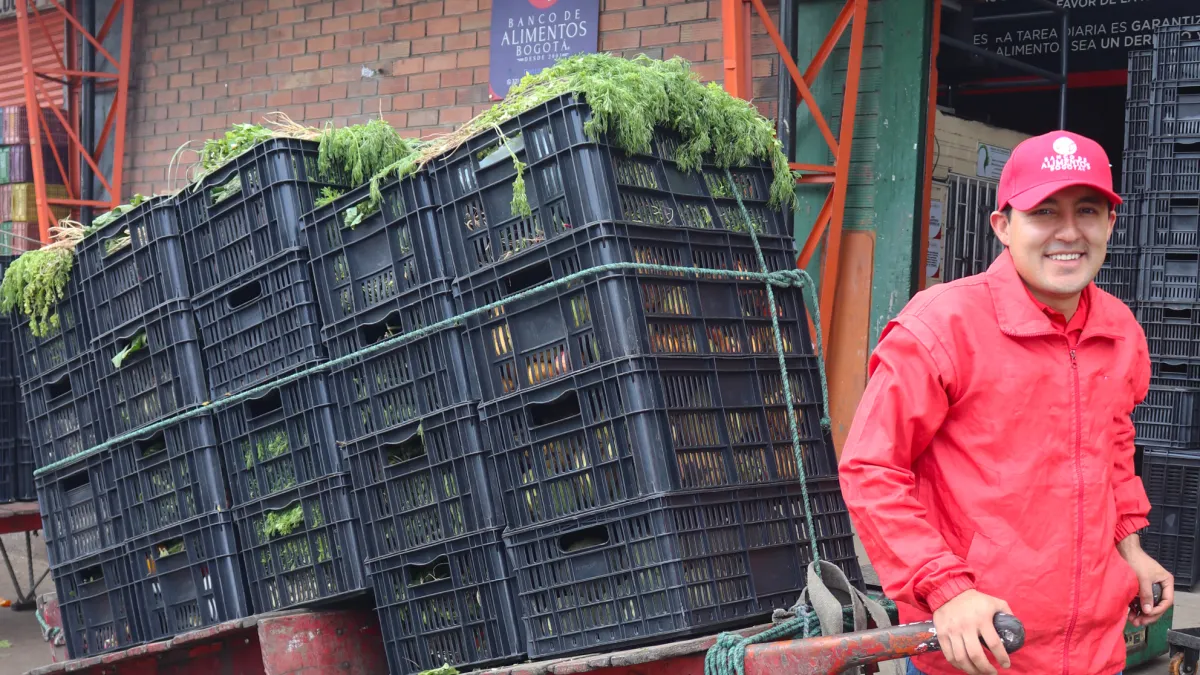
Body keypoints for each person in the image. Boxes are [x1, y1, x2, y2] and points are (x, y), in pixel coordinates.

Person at [837, 130, 1174, 675]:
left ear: (1111, 223)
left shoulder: (1119, 330)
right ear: (1003, 226)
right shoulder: (941, 326)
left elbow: (1113, 445)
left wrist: (1129, 547)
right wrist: (945, 589)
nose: (1069, 232)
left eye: (1087, 210)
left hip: (1097, 651)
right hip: (985, 647)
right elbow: (871, 467)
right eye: (1044, 211)